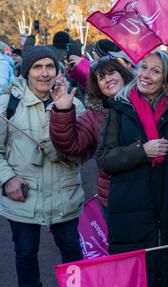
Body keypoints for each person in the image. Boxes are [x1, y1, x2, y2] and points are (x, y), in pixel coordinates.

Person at [96, 50, 168, 287]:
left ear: (166, 80)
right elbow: (105, 159)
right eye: (143, 67)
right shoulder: (120, 108)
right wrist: (142, 151)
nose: (145, 75)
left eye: (155, 71)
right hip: (130, 211)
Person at [0, 46, 85, 287]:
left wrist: (63, 114)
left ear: (57, 70)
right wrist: (7, 179)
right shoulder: (7, 105)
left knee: (71, 250)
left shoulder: (74, 104)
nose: (45, 73)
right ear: (27, 72)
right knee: (25, 253)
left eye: (50, 66)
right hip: (23, 197)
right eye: (37, 67)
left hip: (64, 194)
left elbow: (80, 152)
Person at [50, 56, 134, 215]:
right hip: (114, 196)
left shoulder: (146, 100)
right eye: (101, 78)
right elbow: (70, 145)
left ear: (123, 74)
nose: (108, 79)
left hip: (150, 193)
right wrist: (62, 112)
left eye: (111, 73)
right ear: (98, 86)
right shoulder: (94, 114)